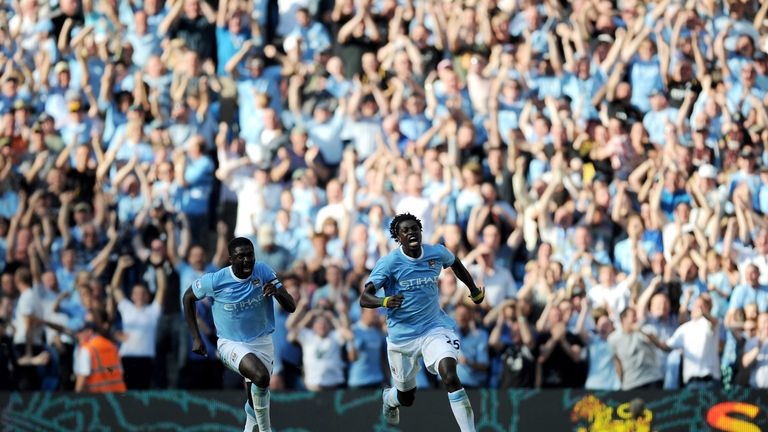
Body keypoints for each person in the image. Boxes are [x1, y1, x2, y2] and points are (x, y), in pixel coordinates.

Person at [359, 213, 485, 430]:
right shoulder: (389, 262)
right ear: (398, 237)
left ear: (420, 230)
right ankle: (390, 398)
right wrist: (385, 301)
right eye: (405, 231)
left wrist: (473, 290)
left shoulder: (436, 252)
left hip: (433, 328)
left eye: (414, 228)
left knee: (450, 374)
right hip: (402, 337)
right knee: (407, 397)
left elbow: (456, 264)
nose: (411, 233)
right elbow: (364, 297)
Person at [183, 237, 296, 432]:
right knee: (261, 377)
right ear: (230, 259)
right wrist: (196, 337)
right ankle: (266, 430)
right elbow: (188, 297)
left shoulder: (263, 271)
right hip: (230, 343)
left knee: (255, 400)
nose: (246, 260)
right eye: (241, 256)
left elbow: (291, 306)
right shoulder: (215, 280)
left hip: (262, 341)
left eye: (250, 255)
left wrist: (277, 292)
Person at [73, 322, 127, 393]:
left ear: (90, 332)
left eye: (80, 332)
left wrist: (76, 397)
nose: (78, 335)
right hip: (118, 395)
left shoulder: (87, 349)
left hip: (98, 396)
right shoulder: (111, 345)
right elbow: (119, 371)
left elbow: (82, 376)